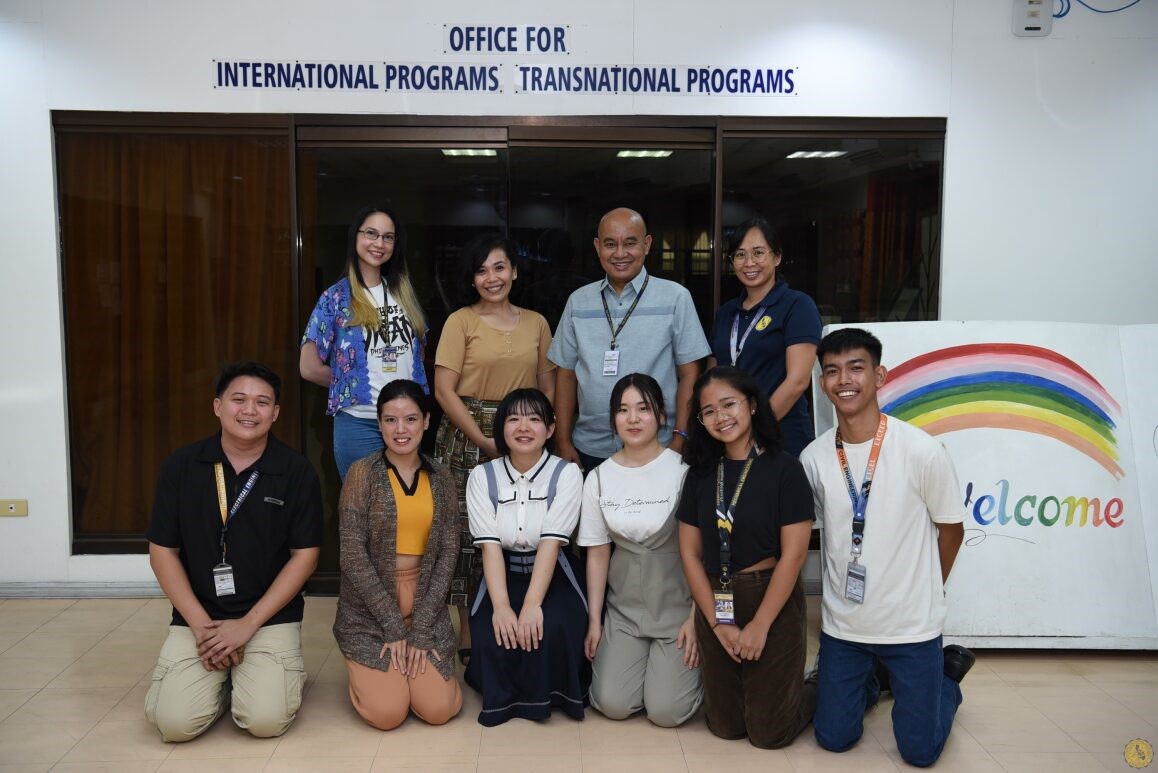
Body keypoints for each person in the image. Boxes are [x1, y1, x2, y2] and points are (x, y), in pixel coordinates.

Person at [799, 327, 973, 768]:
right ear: (822, 384)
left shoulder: (921, 450)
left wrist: (927, 589)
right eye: (833, 371)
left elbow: (951, 530)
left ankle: (946, 679)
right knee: (833, 738)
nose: (845, 380)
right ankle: (873, 679)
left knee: (919, 752)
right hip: (845, 627)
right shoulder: (814, 458)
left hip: (912, 627)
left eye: (856, 368)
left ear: (880, 375)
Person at [144, 362, 322, 742]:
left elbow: (304, 556)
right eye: (238, 400)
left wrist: (246, 626)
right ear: (217, 406)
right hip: (200, 617)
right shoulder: (182, 467)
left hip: (267, 618)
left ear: (275, 413)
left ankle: (257, 676)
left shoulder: (296, 472)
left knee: (264, 722)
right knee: (174, 726)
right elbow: (162, 550)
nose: (250, 411)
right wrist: (201, 627)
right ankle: (225, 679)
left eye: (262, 403)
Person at [676, 366, 815, 748]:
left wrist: (759, 625)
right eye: (708, 411)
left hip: (770, 595)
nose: (721, 417)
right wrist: (719, 626)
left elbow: (794, 555)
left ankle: (823, 685)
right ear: (700, 421)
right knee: (725, 727)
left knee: (770, 734)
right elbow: (689, 553)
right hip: (716, 601)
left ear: (752, 405)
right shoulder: (700, 474)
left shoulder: (786, 469)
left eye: (729, 404)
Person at [433, 234, 556, 664]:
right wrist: (484, 439)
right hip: (469, 435)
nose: (492, 277)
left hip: (522, 430)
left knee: (520, 524)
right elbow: (444, 391)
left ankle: (520, 615)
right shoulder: (460, 322)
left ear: (515, 271)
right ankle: (469, 631)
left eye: (499, 267)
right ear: (472, 279)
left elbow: (546, 384)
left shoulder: (537, 322)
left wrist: (541, 431)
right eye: (482, 270)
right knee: (468, 534)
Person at [333, 379, 463, 730]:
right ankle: (374, 671)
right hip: (371, 608)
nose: (400, 429)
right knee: (388, 713)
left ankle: (412, 666)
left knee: (438, 709)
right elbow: (352, 555)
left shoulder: (442, 477)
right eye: (390, 420)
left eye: (409, 419)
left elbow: (449, 550)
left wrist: (420, 629)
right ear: (379, 424)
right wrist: (392, 625)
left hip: (424, 602)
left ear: (426, 421)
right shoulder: (361, 474)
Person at [579, 373, 703, 727]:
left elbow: (703, 555)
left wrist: (697, 619)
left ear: (662, 416)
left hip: (677, 614)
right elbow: (598, 553)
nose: (633, 419)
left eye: (643, 409)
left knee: (667, 712)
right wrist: (594, 622)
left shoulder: (683, 473)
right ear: (613, 419)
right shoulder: (599, 477)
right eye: (623, 410)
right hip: (625, 615)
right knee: (611, 703)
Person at [548, 207, 710, 472]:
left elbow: (690, 376)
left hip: (657, 448)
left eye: (630, 243)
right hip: (589, 448)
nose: (620, 254)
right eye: (610, 244)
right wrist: (563, 441)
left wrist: (680, 439)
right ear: (597, 247)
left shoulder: (676, 298)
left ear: (647, 245)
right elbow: (565, 374)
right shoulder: (578, 301)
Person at [463, 388, 590, 726]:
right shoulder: (482, 476)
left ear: (550, 429)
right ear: (501, 428)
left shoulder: (567, 474)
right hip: (501, 569)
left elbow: (551, 543)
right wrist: (503, 607)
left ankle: (551, 696)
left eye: (534, 419)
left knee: (553, 625)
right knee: (492, 628)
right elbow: (489, 547)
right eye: (514, 418)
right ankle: (502, 701)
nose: (523, 427)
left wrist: (532, 604)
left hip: (554, 570)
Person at [300, 205, 428, 480]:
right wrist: (352, 383)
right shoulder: (335, 298)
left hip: (405, 422)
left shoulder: (404, 294)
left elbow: (415, 354)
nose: (379, 243)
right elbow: (308, 367)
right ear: (355, 237)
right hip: (360, 423)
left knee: (405, 503)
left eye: (388, 237)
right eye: (371, 233)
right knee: (364, 509)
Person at [708, 217, 822, 457]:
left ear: (777, 257)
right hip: (730, 439)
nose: (749, 262)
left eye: (758, 252)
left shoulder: (797, 305)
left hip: (781, 436)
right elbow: (713, 376)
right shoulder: (727, 312)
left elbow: (797, 382)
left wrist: (753, 429)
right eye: (740, 255)